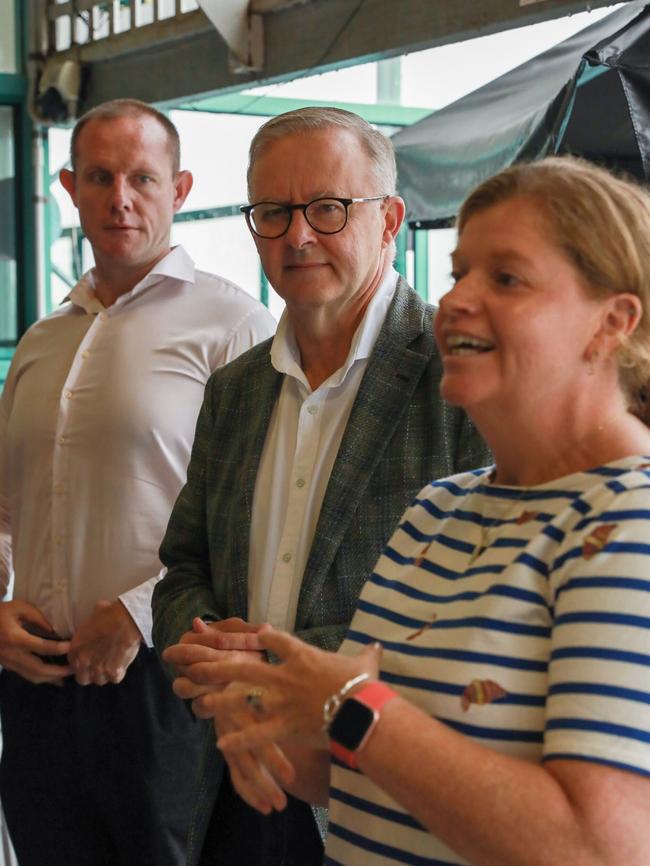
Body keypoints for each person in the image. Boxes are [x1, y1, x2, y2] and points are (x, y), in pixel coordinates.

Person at [174, 156, 650, 866]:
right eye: (460, 273)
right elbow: (361, 773)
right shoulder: (437, 512)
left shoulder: (630, 526)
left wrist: (345, 707)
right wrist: (270, 720)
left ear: (612, 321)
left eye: (506, 278)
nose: (456, 300)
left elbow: (598, 848)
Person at [153, 106, 489, 866]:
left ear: (391, 218)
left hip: (381, 796)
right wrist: (207, 652)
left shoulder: (458, 378)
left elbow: (468, 611)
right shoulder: (235, 388)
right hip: (234, 782)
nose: (298, 235)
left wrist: (261, 671)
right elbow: (184, 566)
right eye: (273, 212)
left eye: (328, 208)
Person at [0, 98, 275, 866]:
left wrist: (138, 614)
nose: (121, 197)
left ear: (180, 189)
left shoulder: (233, 325)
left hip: (163, 683)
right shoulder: (42, 340)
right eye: (100, 176)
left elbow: (253, 517)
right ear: (69, 187)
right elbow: (2, 505)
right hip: (34, 683)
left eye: (143, 178)